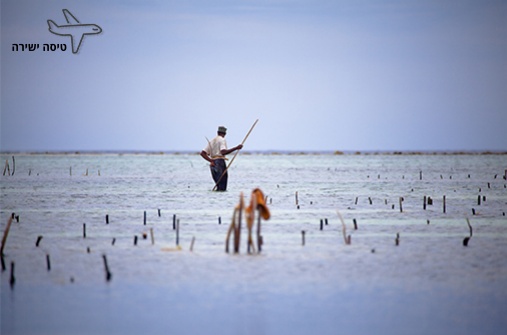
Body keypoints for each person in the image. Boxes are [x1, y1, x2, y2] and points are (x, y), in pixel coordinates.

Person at [200, 126, 243, 191]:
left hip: (213, 164)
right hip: (219, 162)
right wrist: (236, 148)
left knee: (218, 186)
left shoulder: (212, 141)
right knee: (222, 186)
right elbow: (223, 152)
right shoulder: (222, 140)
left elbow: (202, 153)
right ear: (225, 134)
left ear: (217, 132)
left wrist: (211, 160)